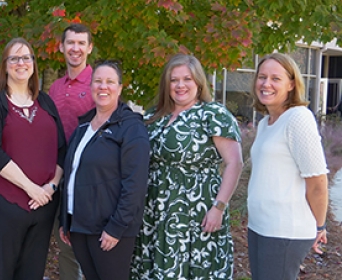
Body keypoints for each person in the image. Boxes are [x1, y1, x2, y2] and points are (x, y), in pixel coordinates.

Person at [130, 54, 243, 279]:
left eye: (187, 79)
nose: (180, 85)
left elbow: (234, 163)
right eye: (174, 80)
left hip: (196, 211)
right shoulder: (154, 115)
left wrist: (219, 208)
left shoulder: (213, 114)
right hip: (155, 209)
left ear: (198, 82)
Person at [0, 37, 66, 280]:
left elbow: (62, 150)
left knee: (31, 274)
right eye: (14, 58)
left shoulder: (45, 101)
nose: (21, 63)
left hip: (43, 204)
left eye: (26, 57)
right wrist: (31, 188)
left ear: (33, 64)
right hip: (0, 204)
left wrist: (50, 187)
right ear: (4, 65)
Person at [59, 61, 149, 280]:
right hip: (80, 226)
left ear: (119, 88)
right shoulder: (83, 126)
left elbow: (135, 184)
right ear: (91, 87)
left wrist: (116, 227)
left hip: (109, 229)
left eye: (110, 82)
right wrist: (65, 220)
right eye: (98, 81)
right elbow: (72, 174)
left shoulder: (130, 128)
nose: (103, 87)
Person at [247, 53, 329, 280]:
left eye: (276, 78)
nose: (266, 84)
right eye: (262, 77)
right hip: (259, 227)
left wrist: (320, 226)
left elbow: (318, 182)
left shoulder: (298, 118)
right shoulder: (266, 123)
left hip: (283, 231)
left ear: (292, 84)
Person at [48, 23, 94, 280]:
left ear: (89, 48)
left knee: (86, 245)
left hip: (88, 178)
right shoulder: (55, 88)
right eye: (70, 43)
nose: (75, 48)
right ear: (61, 47)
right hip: (58, 175)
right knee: (64, 242)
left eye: (80, 43)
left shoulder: (99, 84)